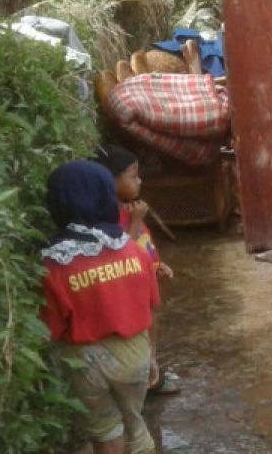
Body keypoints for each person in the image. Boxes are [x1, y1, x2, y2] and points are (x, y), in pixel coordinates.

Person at [40, 161, 160, 454]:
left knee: (105, 430)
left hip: (85, 361)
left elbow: (51, 329)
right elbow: (151, 309)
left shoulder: (53, 264)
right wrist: (152, 356)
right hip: (135, 355)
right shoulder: (134, 250)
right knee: (135, 422)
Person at [93, 144, 179, 396]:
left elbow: (142, 245)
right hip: (127, 288)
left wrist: (156, 264)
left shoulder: (128, 209)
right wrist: (136, 222)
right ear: (111, 181)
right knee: (136, 333)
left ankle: (151, 367)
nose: (139, 181)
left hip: (144, 282)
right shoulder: (111, 219)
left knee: (150, 323)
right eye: (133, 175)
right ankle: (145, 377)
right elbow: (119, 252)